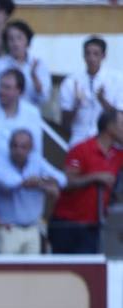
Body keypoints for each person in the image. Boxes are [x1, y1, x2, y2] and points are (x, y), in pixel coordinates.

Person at [50, 108, 123, 254]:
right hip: (68, 225)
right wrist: (95, 177)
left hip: (93, 226)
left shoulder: (117, 154)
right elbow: (67, 183)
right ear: (109, 126)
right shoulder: (82, 149)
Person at [0, 128, 63, 255]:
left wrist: (39, 182)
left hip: (32, 229)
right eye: (14, 146)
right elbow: (8, 182)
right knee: (5, 273)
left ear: (31, 149)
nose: (18, 150)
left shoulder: (37, 162)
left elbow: (61, 180)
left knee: (32, 274)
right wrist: (37, 183)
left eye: (23, 147)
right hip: (7, 230)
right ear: (9, 146)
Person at [58, 37, 123, 150]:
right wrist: (76, 104)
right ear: (83, 55)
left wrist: (103, 100)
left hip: (107, 140)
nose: (91, 58)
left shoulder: (117, 80)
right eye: (88, 53)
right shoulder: (71, 81)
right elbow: (65, 122)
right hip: (79, 139)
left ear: (103, 56)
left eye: (96, 54)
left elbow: (119, 118)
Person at [0, 68, 43, 160]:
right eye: (1, 86)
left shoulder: (32, 113)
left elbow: (36, 150)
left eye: (7, 88)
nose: (1, 91)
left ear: (19, 91)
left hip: (18, 172)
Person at [0, 20, 48, 108]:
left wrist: (34, 77)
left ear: (27, 40)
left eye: (19, 38)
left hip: (30, 115)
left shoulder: (38, 64)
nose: (15, 43)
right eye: (11, 39)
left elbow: (44, 98)